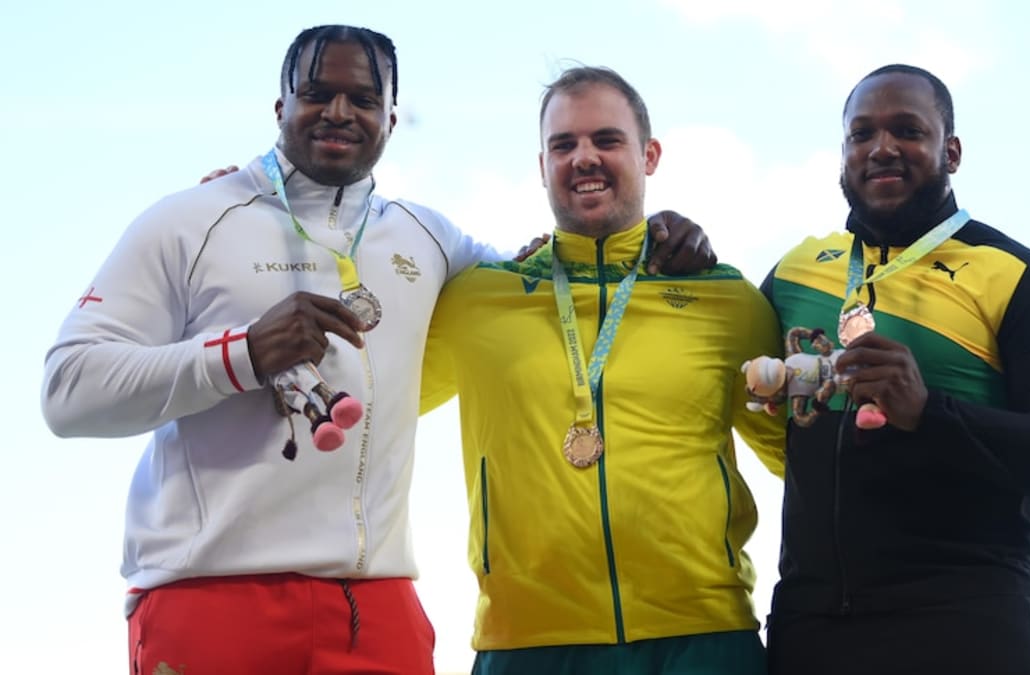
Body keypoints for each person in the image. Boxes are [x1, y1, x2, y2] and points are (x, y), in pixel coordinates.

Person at [40, 26, 708, 675]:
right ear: (280, 107)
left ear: (390, 115)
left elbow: (549, 268)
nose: (338, 112)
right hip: (210, 593)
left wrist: (663, 237)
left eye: (362, 99)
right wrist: (240, 353)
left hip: (375, 605)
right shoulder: (191, 218)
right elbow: (68, 390)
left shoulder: (428, 237)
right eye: (315, 93)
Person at [760, 64, 1030, 674]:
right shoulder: (795, 272)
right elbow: (708, 365)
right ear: (844, 152)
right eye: (862, 134)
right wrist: (667, 242)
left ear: (950, 151)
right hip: (811, 630)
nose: (882, 147)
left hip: (970, 628)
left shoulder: (1019, 276)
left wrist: (929, 413)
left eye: (907, 130)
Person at [420, 66, 787, 675]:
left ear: (649, 155)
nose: (583, 157)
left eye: (606, 140)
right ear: (542, 166)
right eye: (563, 145)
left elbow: (798, 460)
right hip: (526, 646)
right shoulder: (476, 300)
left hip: (702, 638)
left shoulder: (727, 301)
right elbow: (372, 396)